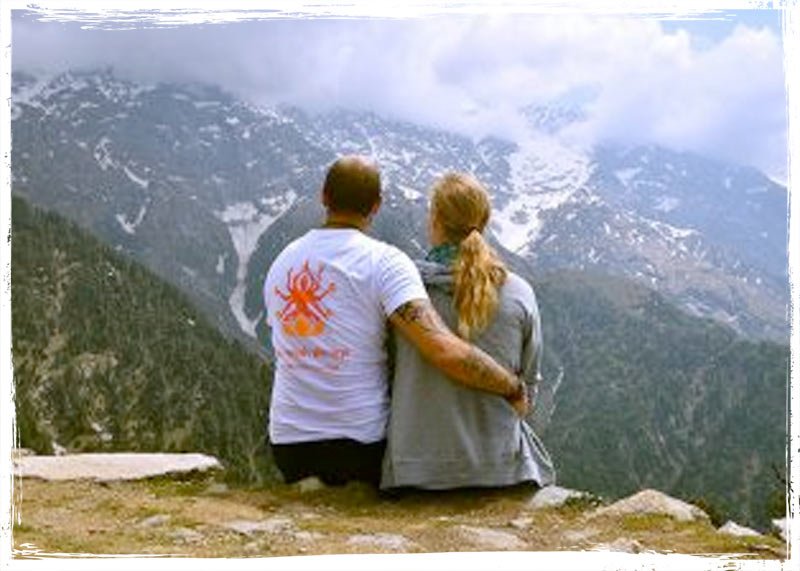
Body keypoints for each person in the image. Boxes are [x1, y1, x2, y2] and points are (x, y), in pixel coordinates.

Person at [263, 156, 527, 487]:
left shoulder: (282, 263)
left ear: (324, 197)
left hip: (288, 440)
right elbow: (443, 349)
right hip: (358, 445)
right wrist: (511, 386)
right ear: (376, 206)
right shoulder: (385, 263)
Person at [381, 172, 556, 491]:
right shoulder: (518, 292)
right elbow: (527, 393)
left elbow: (383, 375)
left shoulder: (403, 294)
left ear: (434, 220)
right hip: (500, 468)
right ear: (484, 222)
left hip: (414, 470)